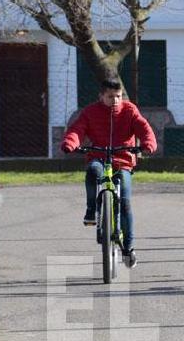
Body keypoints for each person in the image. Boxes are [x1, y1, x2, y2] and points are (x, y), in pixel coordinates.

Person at [60, 79, 158, 268]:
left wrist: (148, 144)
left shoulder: (130, 111)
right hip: (98, 156)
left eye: (118, 96)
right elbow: (77, 130)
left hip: (123, 159)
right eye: (110, 96)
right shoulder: (90, 112)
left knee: (126, 203)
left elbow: (144, 128)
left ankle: (128, 249)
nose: (115, 100)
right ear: (101, 96)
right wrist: (70, 143)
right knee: (93, 171)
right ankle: (91, 210)